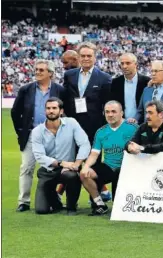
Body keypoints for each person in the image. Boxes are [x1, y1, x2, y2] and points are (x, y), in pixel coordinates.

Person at [11, 59, 64, 212]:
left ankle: (52, 199)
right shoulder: (25, 89)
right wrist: (21, 131)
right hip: (31, 135)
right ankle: (24, 201)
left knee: (51, 169)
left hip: (53, 135)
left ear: (51, 73)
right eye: (36, 69)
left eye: (41, 70)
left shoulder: (60, 90)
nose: (38, 72)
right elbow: (15, 112)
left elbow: (66, 112)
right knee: (26, 168)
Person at [31, 97, 90, 215]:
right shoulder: (37, 131)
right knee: (41, 210)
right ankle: (56, 203)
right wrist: (61, 163)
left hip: (67, 170)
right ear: (45, 111)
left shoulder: (71, 123)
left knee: (72, 176)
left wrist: (77, 164)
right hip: (48, 170)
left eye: (54, 108)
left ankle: (71, 207)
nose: (51, 111)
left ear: (61, 111)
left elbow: (84, 144)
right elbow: (39, 156)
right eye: (48, 108)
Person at [79, 101, 138, 215]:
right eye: (107, 112)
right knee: (84, 174)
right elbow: (94, 154)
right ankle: (99, 203)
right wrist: (85, 167)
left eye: (113, 111)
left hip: (128, 168)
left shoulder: (133, 128)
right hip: (109, 167)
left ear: (122, 113)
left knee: (119, 207)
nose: (110, 115)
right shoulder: (101, 132)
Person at [61, 42, 112, 145]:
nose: (86, 58)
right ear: (78, 58)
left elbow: (107, 104)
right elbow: (64, 98)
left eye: (89, 56)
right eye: (83, 56)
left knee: (93, 160)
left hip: (94, 127)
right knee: (72, 159)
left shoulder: (105, 78)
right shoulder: (69, 75)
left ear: (95, 58)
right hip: (72, 125)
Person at [111, 53, 150, 124]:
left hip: (142, 124)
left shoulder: (147, 82)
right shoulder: (115, 83)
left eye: (128, 63)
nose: (124, 66)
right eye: (122, 64)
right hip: (121, 124)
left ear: (136, 64)